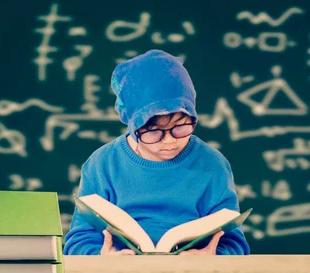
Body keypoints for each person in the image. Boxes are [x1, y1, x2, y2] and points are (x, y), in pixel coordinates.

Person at [63, 49, 250, 256]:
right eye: (153, 132)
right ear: (133, 126)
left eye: (180, 127)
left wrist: (212, 257)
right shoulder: (102, 165)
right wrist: (101, 256)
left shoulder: (213, 164)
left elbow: (235, 243)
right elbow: (77, 241)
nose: (169, 141)